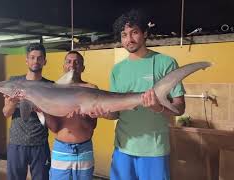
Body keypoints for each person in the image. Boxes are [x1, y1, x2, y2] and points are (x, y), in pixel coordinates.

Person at [89, 9, 186, 180]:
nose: (129, 39)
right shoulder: (117, 70)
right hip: (122, 148)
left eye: (134, 33)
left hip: (154, 150)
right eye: (124, 35)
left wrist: (158, 108)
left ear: (145, 34)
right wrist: (104, 113)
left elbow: (179, 108)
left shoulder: (165, 63)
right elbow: (116, 113)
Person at [43, 51, 98, 180]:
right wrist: (44, 108)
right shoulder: (54, 90)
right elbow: (55, 128)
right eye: (68, 61)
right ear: (63, 66)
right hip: (61, 148)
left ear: (83, 68)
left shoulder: (91, 88)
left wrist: (83, 113)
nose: (72, 65)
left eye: (77, 62)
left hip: (84, 148)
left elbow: (92, 126)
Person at [2, 43, 53, 180]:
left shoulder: (50, 86)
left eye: (39, 58)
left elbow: (53, 116)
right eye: (32, 57)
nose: (35, 61)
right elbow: (6, 113)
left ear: (45, 61)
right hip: (17, 143)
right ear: (26, 60)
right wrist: (12, 103)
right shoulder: (14, 82)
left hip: (40, 143)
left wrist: (43, 109)